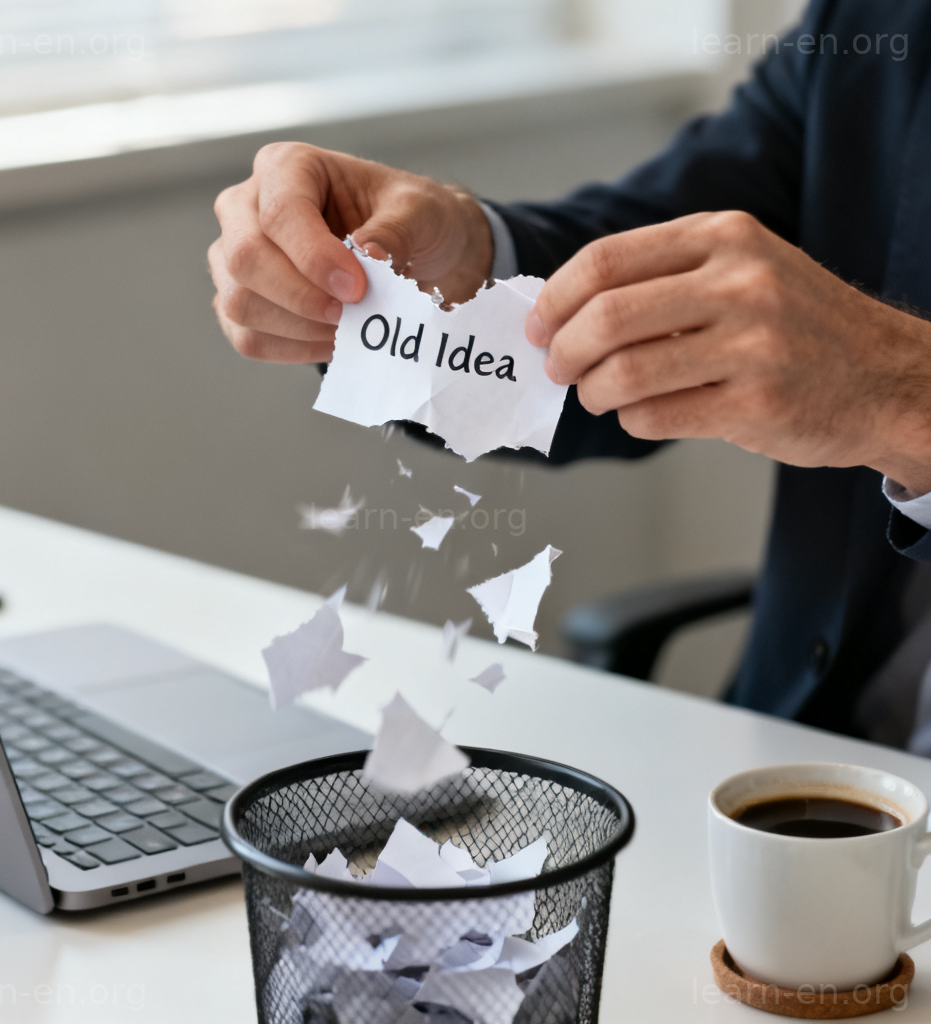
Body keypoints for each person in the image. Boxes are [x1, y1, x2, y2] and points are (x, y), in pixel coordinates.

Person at [207, 0, 931, 748]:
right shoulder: (875, 22)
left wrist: (905, 394)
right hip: (803, 782)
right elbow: (660, 253)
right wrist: (449, 288)